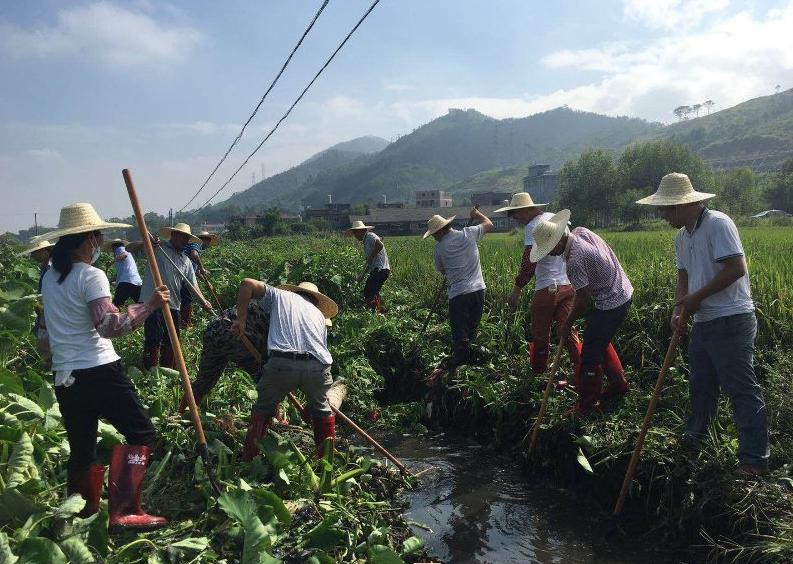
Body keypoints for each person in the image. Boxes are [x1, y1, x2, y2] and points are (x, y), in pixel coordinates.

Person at [35, 202, 170, 532]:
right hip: (99, 368)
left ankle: (82, 515)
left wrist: (57, 360)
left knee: (82, 446)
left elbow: (44, 333)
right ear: (88, 239)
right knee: (142, 432)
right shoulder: (91, 276)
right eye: (98, 237)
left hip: (66, 376)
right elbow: (110, 326)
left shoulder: (50, 279)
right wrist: (150, 305)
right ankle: (124, 510)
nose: (100, 244)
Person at [636, 172, 769, 475]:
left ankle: (754, 460)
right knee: (701, 386)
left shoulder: (718, 224)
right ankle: (696, 441)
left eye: (663, 208)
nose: (660, 214)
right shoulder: (682, 236)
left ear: (681, 206)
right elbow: (683, 277)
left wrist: (696, 298)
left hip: (732, 319)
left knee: (741, 389)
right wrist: (678, 307)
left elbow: (736, 268)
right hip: (705, 321)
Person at [530, 210, 633, 416]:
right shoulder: (581, 232)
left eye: (550, 249)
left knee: (589, 355)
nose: (550, 254)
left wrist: (567, 323)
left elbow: (582, 297)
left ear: (559, 240)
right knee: (598, 339)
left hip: (611, 300)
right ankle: (618, 383)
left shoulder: (574, 261)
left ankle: (587, 405)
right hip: (622, 288)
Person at [231, 280, 338, 462]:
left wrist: (240, 321)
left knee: (262, 410)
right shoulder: (320, 317)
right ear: (315, 300)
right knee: (322, 411)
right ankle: (326, 468)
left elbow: (246, 284)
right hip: (318, 369)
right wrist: (309, 409)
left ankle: (249, 463)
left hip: (282, 363)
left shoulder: (281, 295)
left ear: (296, 292)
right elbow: (320, 355)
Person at [496, 193, 582, 378]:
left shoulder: (534, 227)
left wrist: (517, 290)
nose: (517, 220)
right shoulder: (555, 219)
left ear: (525, 210)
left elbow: (529, 262)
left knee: (540, 332)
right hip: (568, 285)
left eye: (517, 215)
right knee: (567, 330)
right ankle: (581, 370)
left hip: (546, 287)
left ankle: (538, 373)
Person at [425, 206, 493, 367]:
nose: (434, 238)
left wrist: (454, 272)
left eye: (434, 234)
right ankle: (472, 362)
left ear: (440, 231)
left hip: (459, 294)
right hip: (478, 290)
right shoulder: (468, 233)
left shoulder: (439, 249)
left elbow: (442, 270)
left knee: (460, 332)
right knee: (472, 328)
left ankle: (461, 364)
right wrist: (477, 215)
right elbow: (489, 223)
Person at [139, 223, 211, 370]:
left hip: (173, 304)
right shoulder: (157, 249)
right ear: (174, 235)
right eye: (183, 237)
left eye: (188, 238)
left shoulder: (186, 261)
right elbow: (131, 248)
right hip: (153, 302)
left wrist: (203, 301)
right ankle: (150, 371)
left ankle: (167, 372)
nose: (186, 241)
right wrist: (148, 244)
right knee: (153, 338)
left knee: (172, 340)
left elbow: (193, 286)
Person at [177, 303, 269, 412]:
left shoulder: (263, 300)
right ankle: (271, 419)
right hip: (234, 334)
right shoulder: (278, 312)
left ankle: (181, 413)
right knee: (267, 378)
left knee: (205, 379)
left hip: (215, 327)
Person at [345, 220, 390, 312]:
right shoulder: (366, 242)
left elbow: (380, 245)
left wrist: (372, 255)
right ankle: (381, 310)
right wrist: (362, 275)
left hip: (380, 269)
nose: (355, 236)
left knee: (369, 291)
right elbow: (368, 262)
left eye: (355, 233)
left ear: (361, 231)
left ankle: (375, 311)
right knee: (373, 292)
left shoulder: (370, 236)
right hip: (378, 270)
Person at [179, 230, 220, 328]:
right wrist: (201, 267)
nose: (209, 244)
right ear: (204, 240)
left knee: (184, 297)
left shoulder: (197, 249)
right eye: (208, 242)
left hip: (185, 275)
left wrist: (207, 282)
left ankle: (183, 321)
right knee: (187, 297)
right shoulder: (196, 244)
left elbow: (196, 272)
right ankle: (185, 323)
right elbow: (194, 255)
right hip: (183, 275)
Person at [102, 239, 143, 307]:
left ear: (114, 247)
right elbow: (119, 273)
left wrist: (112, 261)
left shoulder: (120, 249)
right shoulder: (119, 258)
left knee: (116, 306)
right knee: (142, 304)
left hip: (125, 282)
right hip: (136, 282)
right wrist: (109, 280)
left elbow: (125, 254)